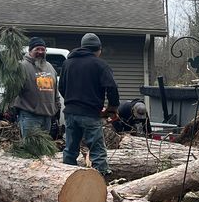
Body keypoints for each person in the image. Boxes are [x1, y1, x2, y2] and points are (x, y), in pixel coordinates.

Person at [58, 33, 119, 176]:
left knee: (70, 150)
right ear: (98, 49)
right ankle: (101, 182)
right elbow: (112, 88)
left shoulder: (67, 63)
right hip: (90, 114)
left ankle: (66, 179)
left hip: (70, 113)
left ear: (82, 47)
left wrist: (73, 101)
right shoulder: (100, 64)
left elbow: (61, 88)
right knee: (97, 151)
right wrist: (112, 108)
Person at [12, 37, 60, 138]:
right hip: (30, 116)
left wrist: (57, 107)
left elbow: (55, 90)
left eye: (43, 49)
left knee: (43, 151)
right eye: (37, 49)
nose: (40, 52)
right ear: (30, 51)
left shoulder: (50, 67)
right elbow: (13, 91)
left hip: (48, 116)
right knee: (30, 150)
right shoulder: (22, 67)